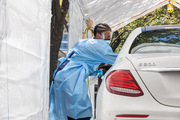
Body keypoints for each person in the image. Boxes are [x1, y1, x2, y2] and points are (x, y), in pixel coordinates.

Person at [49, 23, 118, 120]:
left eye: (109, 37)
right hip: (71, 78)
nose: (108, 39)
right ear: (98, 35)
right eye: (106, 36)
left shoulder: (85, 42)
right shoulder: (99, 45)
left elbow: (80, 59)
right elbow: (116, 59)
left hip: (62, 73)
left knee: (62, 109)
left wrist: (93, 71)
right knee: (78, 110)